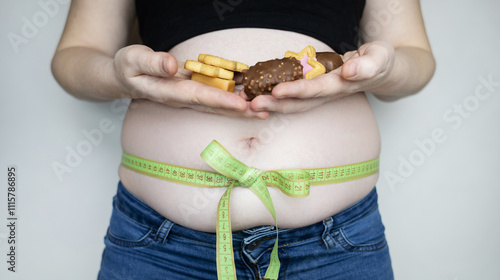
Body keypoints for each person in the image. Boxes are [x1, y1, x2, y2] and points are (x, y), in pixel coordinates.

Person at [51, 0, 435, 279]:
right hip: (162, 247)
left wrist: (386, 68)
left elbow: (414, 56)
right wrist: (117, 76)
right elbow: (75, 55)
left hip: (335, 247)